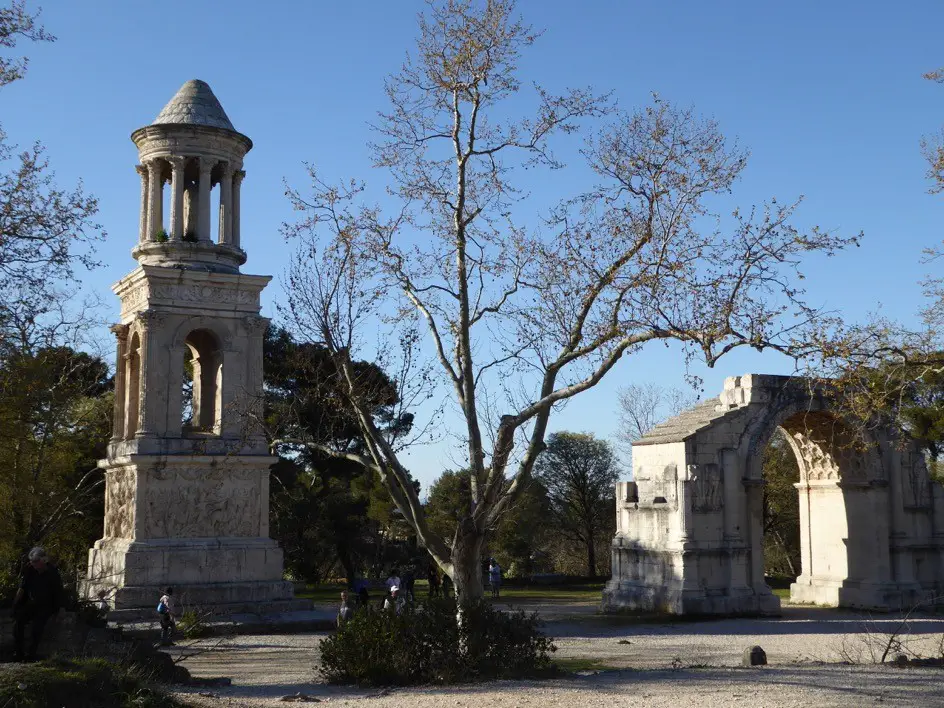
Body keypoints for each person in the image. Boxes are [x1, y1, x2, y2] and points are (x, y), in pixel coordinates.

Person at [13, 546, 63, 662]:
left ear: (43, 560)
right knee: (18, 623)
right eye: (32, 562)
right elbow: (22, 588)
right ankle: (18, 652)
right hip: (32, 603)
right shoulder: (30, 570)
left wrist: (61, 609)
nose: (34, 564)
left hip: (47, 606)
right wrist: (15, 604)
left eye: (36, 561)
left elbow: (58, 592)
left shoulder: (52, 573)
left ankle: (31, 655)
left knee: (37, 628)